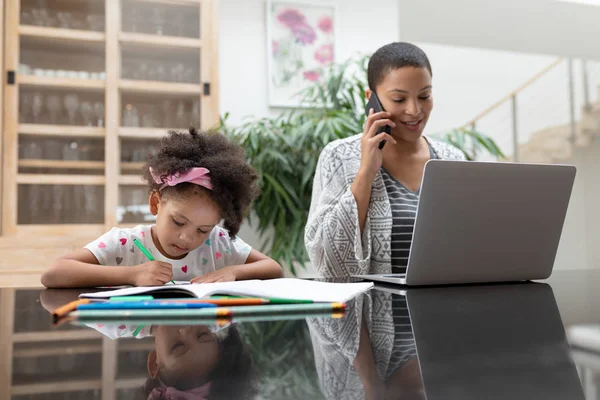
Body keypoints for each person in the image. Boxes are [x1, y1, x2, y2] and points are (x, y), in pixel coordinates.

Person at [42, 128, 282, 288]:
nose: (187, 237)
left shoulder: (218, 243)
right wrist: (132, 275)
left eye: (203, 230)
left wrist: (234, 273)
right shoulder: (126, 244)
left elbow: (273, 268)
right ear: (156, 203)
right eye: (178, 222)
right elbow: (54, 273)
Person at [305, 42, 466, 277]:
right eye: (399, 99)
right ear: (372, 99)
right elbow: (326, 260)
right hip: (371, 313)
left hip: (444, 310)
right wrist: (366, 172)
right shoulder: (338, 156)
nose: (415, 110)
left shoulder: (452, 159)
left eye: (424, 96)